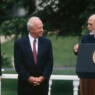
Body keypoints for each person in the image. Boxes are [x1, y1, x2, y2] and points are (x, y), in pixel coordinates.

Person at [14, 16, 53, 95]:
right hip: (25, 86)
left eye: (42, 27)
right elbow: (18, 64)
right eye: (39, 28)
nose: (42, 30)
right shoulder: (19, 43)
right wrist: (29, 78)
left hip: (42, 86)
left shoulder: (47, 42)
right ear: (31, 29)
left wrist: (42, 78)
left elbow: (49, 63)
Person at [74, 14, 95, 95]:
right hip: (87, 78)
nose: (88, 26)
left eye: (90, 24)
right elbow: (82, 55)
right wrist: (76, 49)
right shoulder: (85, 38)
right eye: (87, 24)